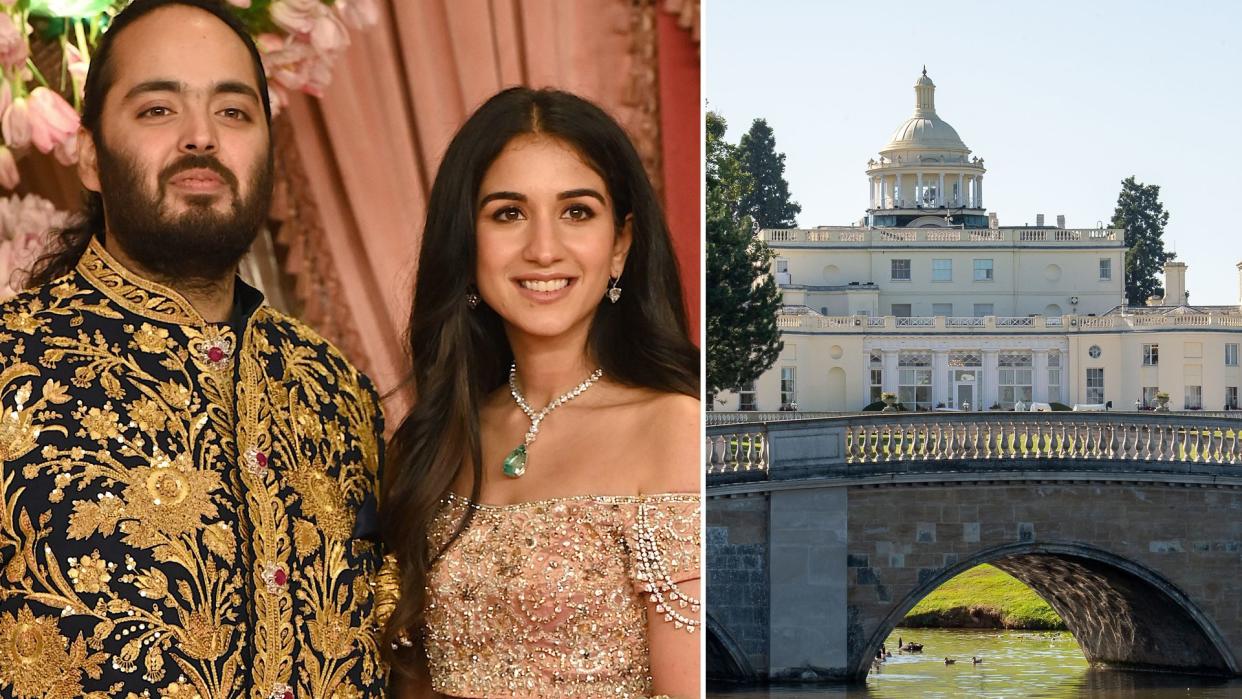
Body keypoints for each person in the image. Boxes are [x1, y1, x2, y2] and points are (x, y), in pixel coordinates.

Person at [0, 1, 386, 696]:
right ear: (89, 153)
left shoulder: (335, 389)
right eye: (158, 110)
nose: (201, 137)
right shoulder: (10, 369)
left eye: (234, 112)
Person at [380, 88, 701, 698]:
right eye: (508, 213)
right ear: (467, 244)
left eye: (576, 211)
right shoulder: (438, 438)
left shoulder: (671, 427)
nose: (544, 248)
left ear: (621, 245)